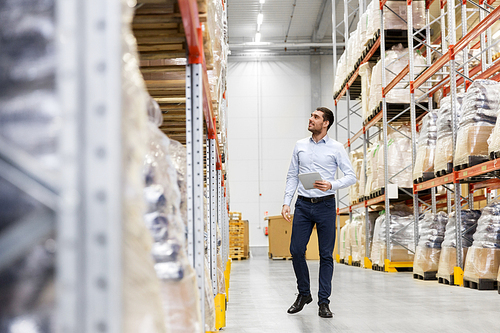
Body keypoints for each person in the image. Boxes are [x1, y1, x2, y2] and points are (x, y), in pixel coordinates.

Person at [281, 107, 356, 318]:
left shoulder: (336, 148)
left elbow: (351, 176)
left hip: (325, 205)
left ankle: (324, 302)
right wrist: (287, 202)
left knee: (325, 255)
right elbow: (292, 176)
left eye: (316, 117)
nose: (311, 119)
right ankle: (304, 293)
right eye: (311, 116)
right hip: (303, 205)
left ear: (326, 123)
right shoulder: (300, 146)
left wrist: (331, 184)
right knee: (296, 250)